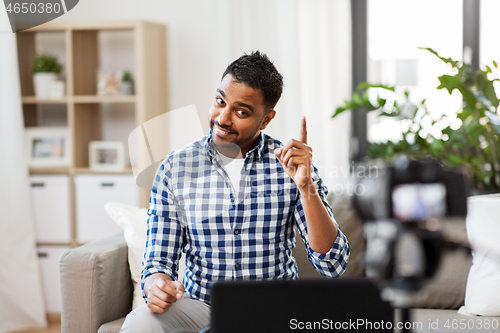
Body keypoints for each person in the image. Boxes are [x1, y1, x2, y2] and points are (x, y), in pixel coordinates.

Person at [121, 51, 350, 332]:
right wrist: (156, 284)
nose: (223, 119)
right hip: (202, 308)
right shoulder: (176, 168)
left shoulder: (291, 167)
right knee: (140, 322)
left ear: (266, 120)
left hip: (273, 312)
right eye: (220, 102)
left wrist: (306, 188)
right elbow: (158, 261)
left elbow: (333, 264)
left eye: (241, 112)